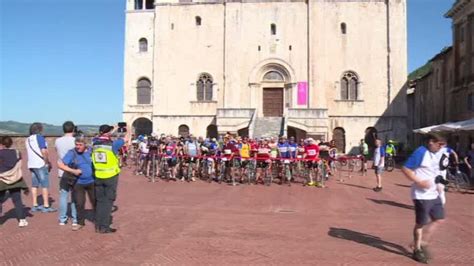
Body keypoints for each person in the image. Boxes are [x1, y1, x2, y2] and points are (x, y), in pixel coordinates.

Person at [402, 133, 447, 263]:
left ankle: (423, 242)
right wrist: (419, 182)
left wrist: (439, 183)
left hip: (434, 193)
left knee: (439, 219)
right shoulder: (420, 152)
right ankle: (417, 249)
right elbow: (406, 169)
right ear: (431, 142)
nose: (441, 147)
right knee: (421, 223)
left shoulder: (434, 154)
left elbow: (433, 171)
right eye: (439, 144)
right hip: (422, 195)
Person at [92, 124, 127, 234]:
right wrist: (128, 127)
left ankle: (98, 225)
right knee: (108, 202)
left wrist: (110, 130)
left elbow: (100, 136)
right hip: (110, 175)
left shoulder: (94, 143)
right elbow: (127, 138)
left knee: (100, 201)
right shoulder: (113, 144)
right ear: (108, 133)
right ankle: (104, 226)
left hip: (98, 174)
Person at [58, 134, 95, 231]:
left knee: (95, 201)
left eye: (80, 145)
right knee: (79, 203)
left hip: (92, 181)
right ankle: (80, 222)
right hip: (78, 182)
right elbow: (60, 164)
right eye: (76, 144)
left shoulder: (91, 151)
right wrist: (73, 171)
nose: (78, 147)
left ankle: (97, 219)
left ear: (85, 144)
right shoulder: (72, 153)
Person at [25, 122, 57, 212]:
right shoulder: (39, 138)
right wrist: (47, 161)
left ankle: (35, 204)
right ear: (39, 130)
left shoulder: (27, 139)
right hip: (40, 163)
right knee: (44, 185)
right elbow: (43, 150)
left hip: (31, 164)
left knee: (34, 185)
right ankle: (46, 205)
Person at [0, 136, 29, 227]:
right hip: (16, 179)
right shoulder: (17, 152)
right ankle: (22, 220)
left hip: (2, 179)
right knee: (17, 200)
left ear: (2, 144)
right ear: (11, 143)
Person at [55, 121, 78, 226]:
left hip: (62, 170)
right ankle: (75, 219)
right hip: (74, 171)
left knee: (63, 195)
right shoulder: (76, 141)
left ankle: (62, 219)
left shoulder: (58, 141)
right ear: (73, 129)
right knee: (75, 196)